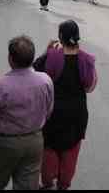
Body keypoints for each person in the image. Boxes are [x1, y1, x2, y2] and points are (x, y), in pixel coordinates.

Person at [0, 36, 54, 190]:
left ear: (10, 59)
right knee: (27, 186)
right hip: (34, 141)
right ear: (32, 58)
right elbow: (48, 110)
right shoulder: (45, 81)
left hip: (5, 143)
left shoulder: (0, 86)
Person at [33, 21, 97, 190]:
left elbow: (34, 75)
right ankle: (63, 185)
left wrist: (47, 51)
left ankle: (47, 183)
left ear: (60, 37)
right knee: (71, 152)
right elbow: (90, 87)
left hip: (52, 115)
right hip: (76, 116)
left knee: (49, 150)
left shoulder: (52, 57)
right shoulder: (86, 59)